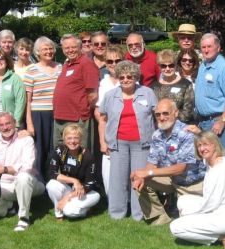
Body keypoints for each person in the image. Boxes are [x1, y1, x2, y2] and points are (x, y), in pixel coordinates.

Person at [169, 131, 225, 249]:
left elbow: (212, 204)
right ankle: (219, 233)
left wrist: (189, 213)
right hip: (224, 209)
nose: (202, 148)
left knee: (175, 227)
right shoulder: (212, 161)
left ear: (215, 145)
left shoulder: (220, 169)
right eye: (199, 145)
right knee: (182, 201)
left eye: (206, 144)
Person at [130, 99, 206, 225]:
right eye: (158, 114)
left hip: (192, 183)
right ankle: (159, 218)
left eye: (166, 113)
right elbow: (152, 162)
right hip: (172, 180)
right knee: (139, 179)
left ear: (176, 113)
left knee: (192, 223)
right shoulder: (157, 135)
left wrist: (147, 172)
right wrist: (142, 176)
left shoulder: (187, 133)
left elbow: (181, 168)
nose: (162, 117)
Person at [99, 61, 157, 220]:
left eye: (129, 76)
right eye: (122, 77)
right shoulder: (110, 95)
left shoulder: (147, 93)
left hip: (142, 143)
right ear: (118, 77)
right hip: (118, 143)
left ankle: (139, 214)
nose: (125, 79)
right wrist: (103, 142)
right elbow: (102, 119)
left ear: (136, 77)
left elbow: (157, 117)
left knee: (139, 178)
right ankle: (117, 213)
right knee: (117, 179)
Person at [0, 112, 45, 231]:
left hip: (29, 184)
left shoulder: (26, 140)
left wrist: (3, 169)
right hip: (4, 186)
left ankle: (23, 218)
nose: (5, 127)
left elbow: (27, 167)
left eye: (8, 123)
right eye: (1, 125)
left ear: (14, 123)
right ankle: (8, 207)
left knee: (23, 177)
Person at [194, 33, 225, 165]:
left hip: (219, 122)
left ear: (218, 48)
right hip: (204, 122)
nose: (206, 50)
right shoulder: (204, 65)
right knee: (209, 161)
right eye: (203, 47)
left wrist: (222, 121)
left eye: (209, 46)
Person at [45, 124, 100, 221]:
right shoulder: (59, 150)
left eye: (76, 138)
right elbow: (51, 173)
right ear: (64, 139)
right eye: (69, 138)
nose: (72, 141)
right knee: (51, 184)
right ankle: (59, 213)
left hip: (85, 192)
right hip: (70, 187)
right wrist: (74, 180)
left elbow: (90, 184)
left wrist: (68, 197)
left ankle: (85, 210)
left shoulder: (88, 156)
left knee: (69, 211)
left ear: (81, 139)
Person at [53, 34, 99, 151]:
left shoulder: (86, 64)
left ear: (80, 47)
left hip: (76, 119)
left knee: (78, 154)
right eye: (66, 48)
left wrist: (83, 111)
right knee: (61, 154)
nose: (70, 50)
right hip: (60, 117)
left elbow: (92, 94)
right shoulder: (67, 64)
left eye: (73, 47)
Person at [23, 36, 61, 175]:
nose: (49, 51)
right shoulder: (31, 70)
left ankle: (53, 177)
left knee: (55, 148)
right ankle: (38, 180)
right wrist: (29, 123)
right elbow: (27, 100)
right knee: (39, 149)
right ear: (37, 52)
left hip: (57, 114)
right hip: (38, 114)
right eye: (45, 49)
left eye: (51, 48)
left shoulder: (60, 68)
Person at [94, 45, 125, 193]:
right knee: (108, 170)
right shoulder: (103, 83)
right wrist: (102, 141)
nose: (114, 64)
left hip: (126, 131)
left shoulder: (130, 81)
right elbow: (100, 115)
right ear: (105, 63)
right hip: (108, 131)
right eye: (110, 61)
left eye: (117, 60)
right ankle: (111, 199)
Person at [150, 49, 195, 124]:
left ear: (176, 65)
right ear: (159, 67)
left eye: (171, 65)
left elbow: (188, 112)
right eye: (163, 66)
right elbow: (152, 110)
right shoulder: (154, 86)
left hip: (180, 127)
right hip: (160, 126)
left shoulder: (185, 84)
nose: (167, 69)